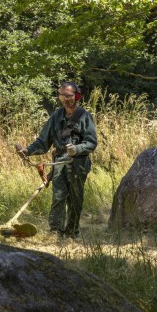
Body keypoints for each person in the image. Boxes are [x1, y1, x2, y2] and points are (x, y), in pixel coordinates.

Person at [17, 82, 97, 239]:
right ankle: (55, 231)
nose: (66, 99)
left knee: (75, 199)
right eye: (63, 95)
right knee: (58, 197)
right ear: (59, 97)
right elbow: (43, 141)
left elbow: (91, 142)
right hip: (59, 162)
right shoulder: (55, 117)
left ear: (77, 96)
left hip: (78, 163)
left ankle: (71, 232)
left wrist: (78, 149)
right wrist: (28, 151)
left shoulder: (84, 117)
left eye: (69, 95)